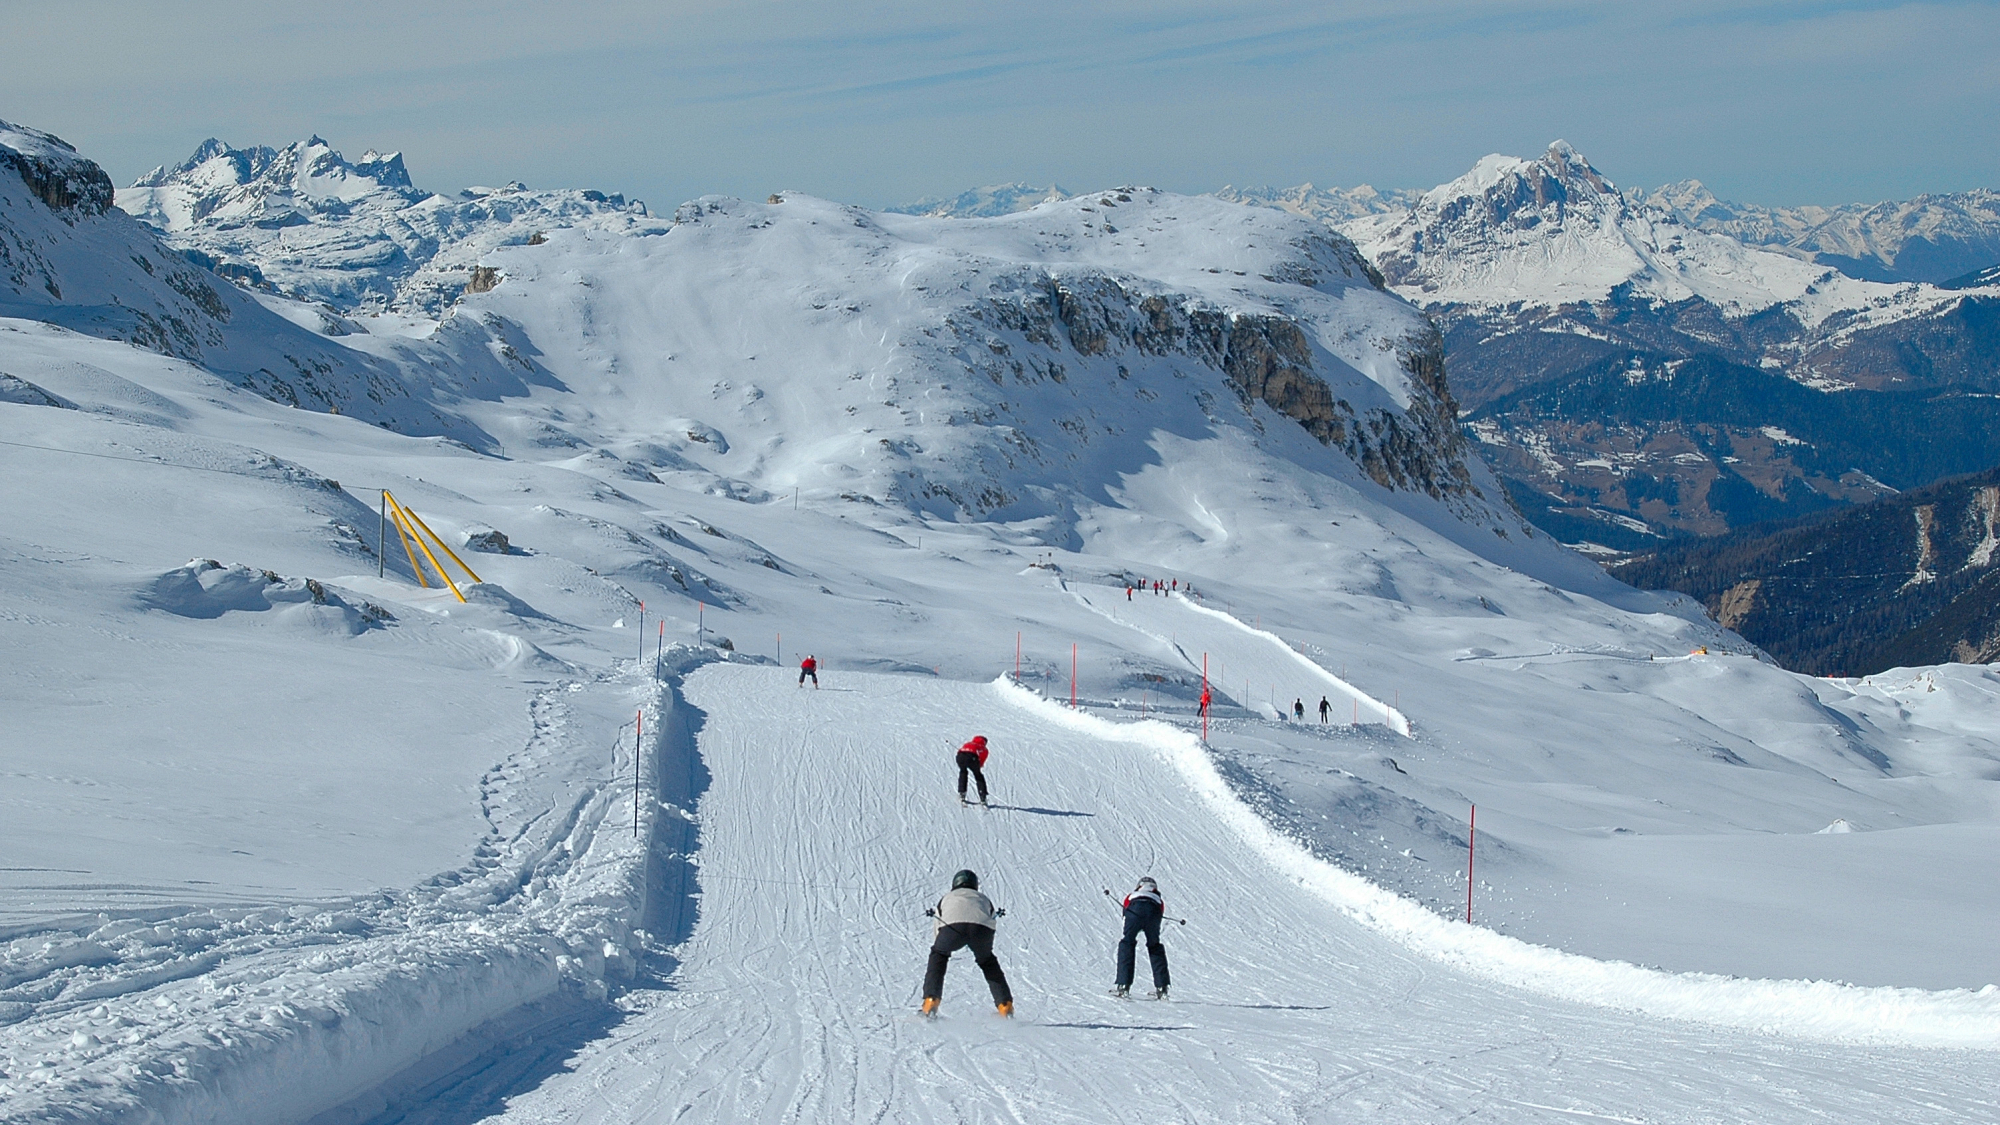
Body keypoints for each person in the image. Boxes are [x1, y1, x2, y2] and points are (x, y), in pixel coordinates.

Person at [922, 869, 1013, 1017]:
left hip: (951, 928)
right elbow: (991, 921)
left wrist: (942, 947)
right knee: (988, 962)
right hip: (981, 930)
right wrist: (984, 948)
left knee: (938, 955)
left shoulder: (947, 897)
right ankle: (1005, 1006)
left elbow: (937, 926)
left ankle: (930, 1001)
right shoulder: (983, 898)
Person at [1110, 877, 1170, 999]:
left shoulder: (1133, 895)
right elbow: (1160, 913)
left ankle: (1123, 986)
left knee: (1127, 943)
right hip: (1153, 912)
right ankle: (1162, 989)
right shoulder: (1158, 898)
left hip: (1134, 913)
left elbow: (1125, 910)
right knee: (1154, 946)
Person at [956, 735, 990, 806]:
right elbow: (982, 758)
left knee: (963, 772)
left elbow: (960, 751)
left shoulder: (968, 743)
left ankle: (962, 793)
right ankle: (983, 796)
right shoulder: (983, 747)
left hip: (960, 757)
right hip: (972, 758)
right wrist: (979, 766)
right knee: (978, 775)